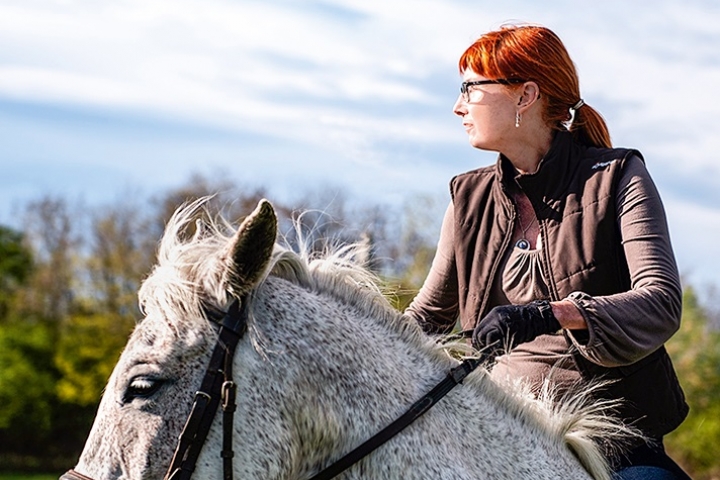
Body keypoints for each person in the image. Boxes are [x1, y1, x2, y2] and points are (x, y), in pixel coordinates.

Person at [405, 24, 690, 479]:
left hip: (614, 439)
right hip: (495, 431)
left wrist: (551, 314)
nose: (458, 106)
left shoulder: (618, 176)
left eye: (471, 89)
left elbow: (660, 303)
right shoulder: (467, 197)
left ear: (525, 96)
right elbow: (426, 319)